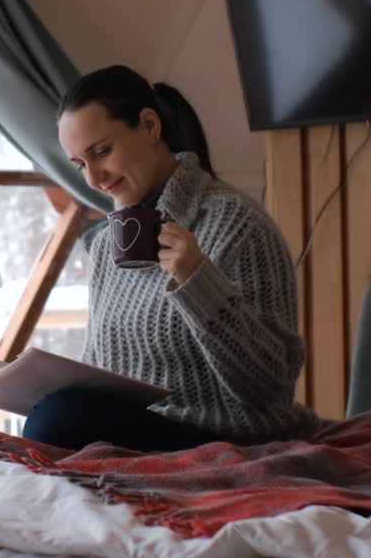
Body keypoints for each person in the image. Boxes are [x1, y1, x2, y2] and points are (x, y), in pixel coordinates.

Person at [21, 64, 320, 452]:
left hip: (228, 437)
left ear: (149, 126)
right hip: (144, 428)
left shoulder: (239, 225)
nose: (94, 178)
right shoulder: (105, 245)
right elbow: (100, 371)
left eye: (101, 152)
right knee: (49, 417)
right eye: (80, 165)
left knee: (57, 420)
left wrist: (200, 283)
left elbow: (270, 392)